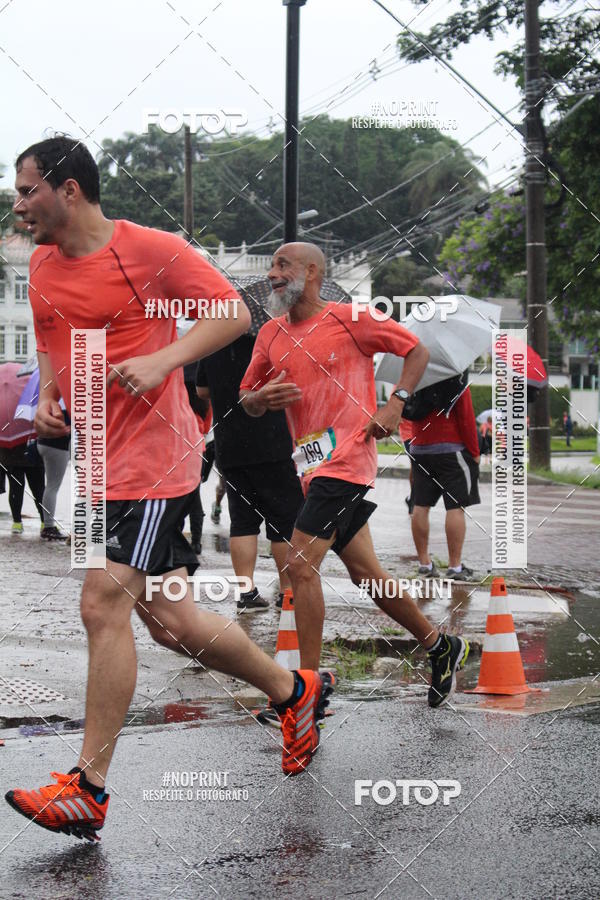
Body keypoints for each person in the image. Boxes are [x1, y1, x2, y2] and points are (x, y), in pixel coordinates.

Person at [5, 138, 334, 842]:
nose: (18, 203)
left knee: (101, 606)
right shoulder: (39, 264)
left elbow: (231, 314)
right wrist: (50, 394)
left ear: (67, 189)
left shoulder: (149, 250)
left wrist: (163, 359)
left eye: (27, 189)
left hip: (156, 461)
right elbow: (54, 334)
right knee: (171, 623)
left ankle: (87, 790)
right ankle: (293, 690)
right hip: (99, 462)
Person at [240, 242, 469, 708]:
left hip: (348, 460)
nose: (273, 273)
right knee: (368, 576)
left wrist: (395, 402)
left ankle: (306, 689)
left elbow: (416, 351)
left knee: (300, 566)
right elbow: (245, 395)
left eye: (283, 265)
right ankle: (440, 645)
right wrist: (262, 399)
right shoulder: (270, 334)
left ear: (312, 272)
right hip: (309, 466)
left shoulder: (352, 318)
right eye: (272, 266)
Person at [196, 334, 303, 612]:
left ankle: (246, 592)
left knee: (242, 521)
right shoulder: (271, 339)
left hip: (229, 444)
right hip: (272, 441)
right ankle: (287, 592)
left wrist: (225, 383)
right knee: (283, 521)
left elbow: (202, 392)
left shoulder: (212, 338)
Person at [409, 385, 481, 581]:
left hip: (419, 449)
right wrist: (475, 453)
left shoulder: (414, 378)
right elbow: (466, 420)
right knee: (455, 507)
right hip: (451, 449)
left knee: (420, 505)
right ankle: (455, 567)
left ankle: (424, 565)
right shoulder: (456, 379)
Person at [37, 411, 71, 540]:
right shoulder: (66, 404)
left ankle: (48, 525)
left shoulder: (49, 404)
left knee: (50, 486)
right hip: (59, 446)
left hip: (43, 443)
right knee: (53, 486)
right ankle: (49, 526)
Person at [0, 440, 45, 534]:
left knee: (38, 491)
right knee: (18, 490)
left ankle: (44, 521)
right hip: (16, 457)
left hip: (29, 457)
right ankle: (18, 521)